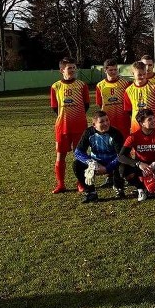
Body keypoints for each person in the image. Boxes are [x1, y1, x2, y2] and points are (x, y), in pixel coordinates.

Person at [118, 108, 155, 200]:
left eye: (154, 118)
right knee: (123, 168)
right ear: (142, 123)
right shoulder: (133, 137)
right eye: (150, 119)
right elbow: (121, 156)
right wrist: (138, 164)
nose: (154, 121)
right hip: (142, 167)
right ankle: (141, 188)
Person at [50, 58, 90, 194]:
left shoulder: (81, 85)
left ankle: (81, 182)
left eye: (74, 67)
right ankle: (61, 184)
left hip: (79, 126)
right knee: (60, 155)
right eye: (69, 68)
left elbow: (86, 106)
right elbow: (55, 107)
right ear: (62, 70)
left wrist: (76, 115)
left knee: (80, 155)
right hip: (62, 127)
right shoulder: (55, 87)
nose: (72, 70)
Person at [73, 111, 125, 202]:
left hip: (112, 161)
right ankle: (91, 192)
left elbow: (121, 156)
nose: (106, 123)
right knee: (76, 165)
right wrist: (91, 163)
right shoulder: (88, 132)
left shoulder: (116, 133)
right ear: (94, 125)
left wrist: (107, 168)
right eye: (101, 122)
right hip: (96, 162)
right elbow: (78, 152)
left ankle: (119, 188)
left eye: (107, 120)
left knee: (122, 164)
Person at [123, 60, 155, 134]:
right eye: (139, 75)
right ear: (133, 74)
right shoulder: (128, 90)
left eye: (144, 74)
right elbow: (129, 111)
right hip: (137, 126)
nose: (142, 77)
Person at [95, 58, 130, 138]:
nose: (114, 72)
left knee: (124, 143)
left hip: (123, 120)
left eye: (115, 69)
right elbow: (100, 104)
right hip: (108, 121)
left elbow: (128, 103)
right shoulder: (100, 85)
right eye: (111, 70)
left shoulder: (125, 84)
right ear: (105, 70)